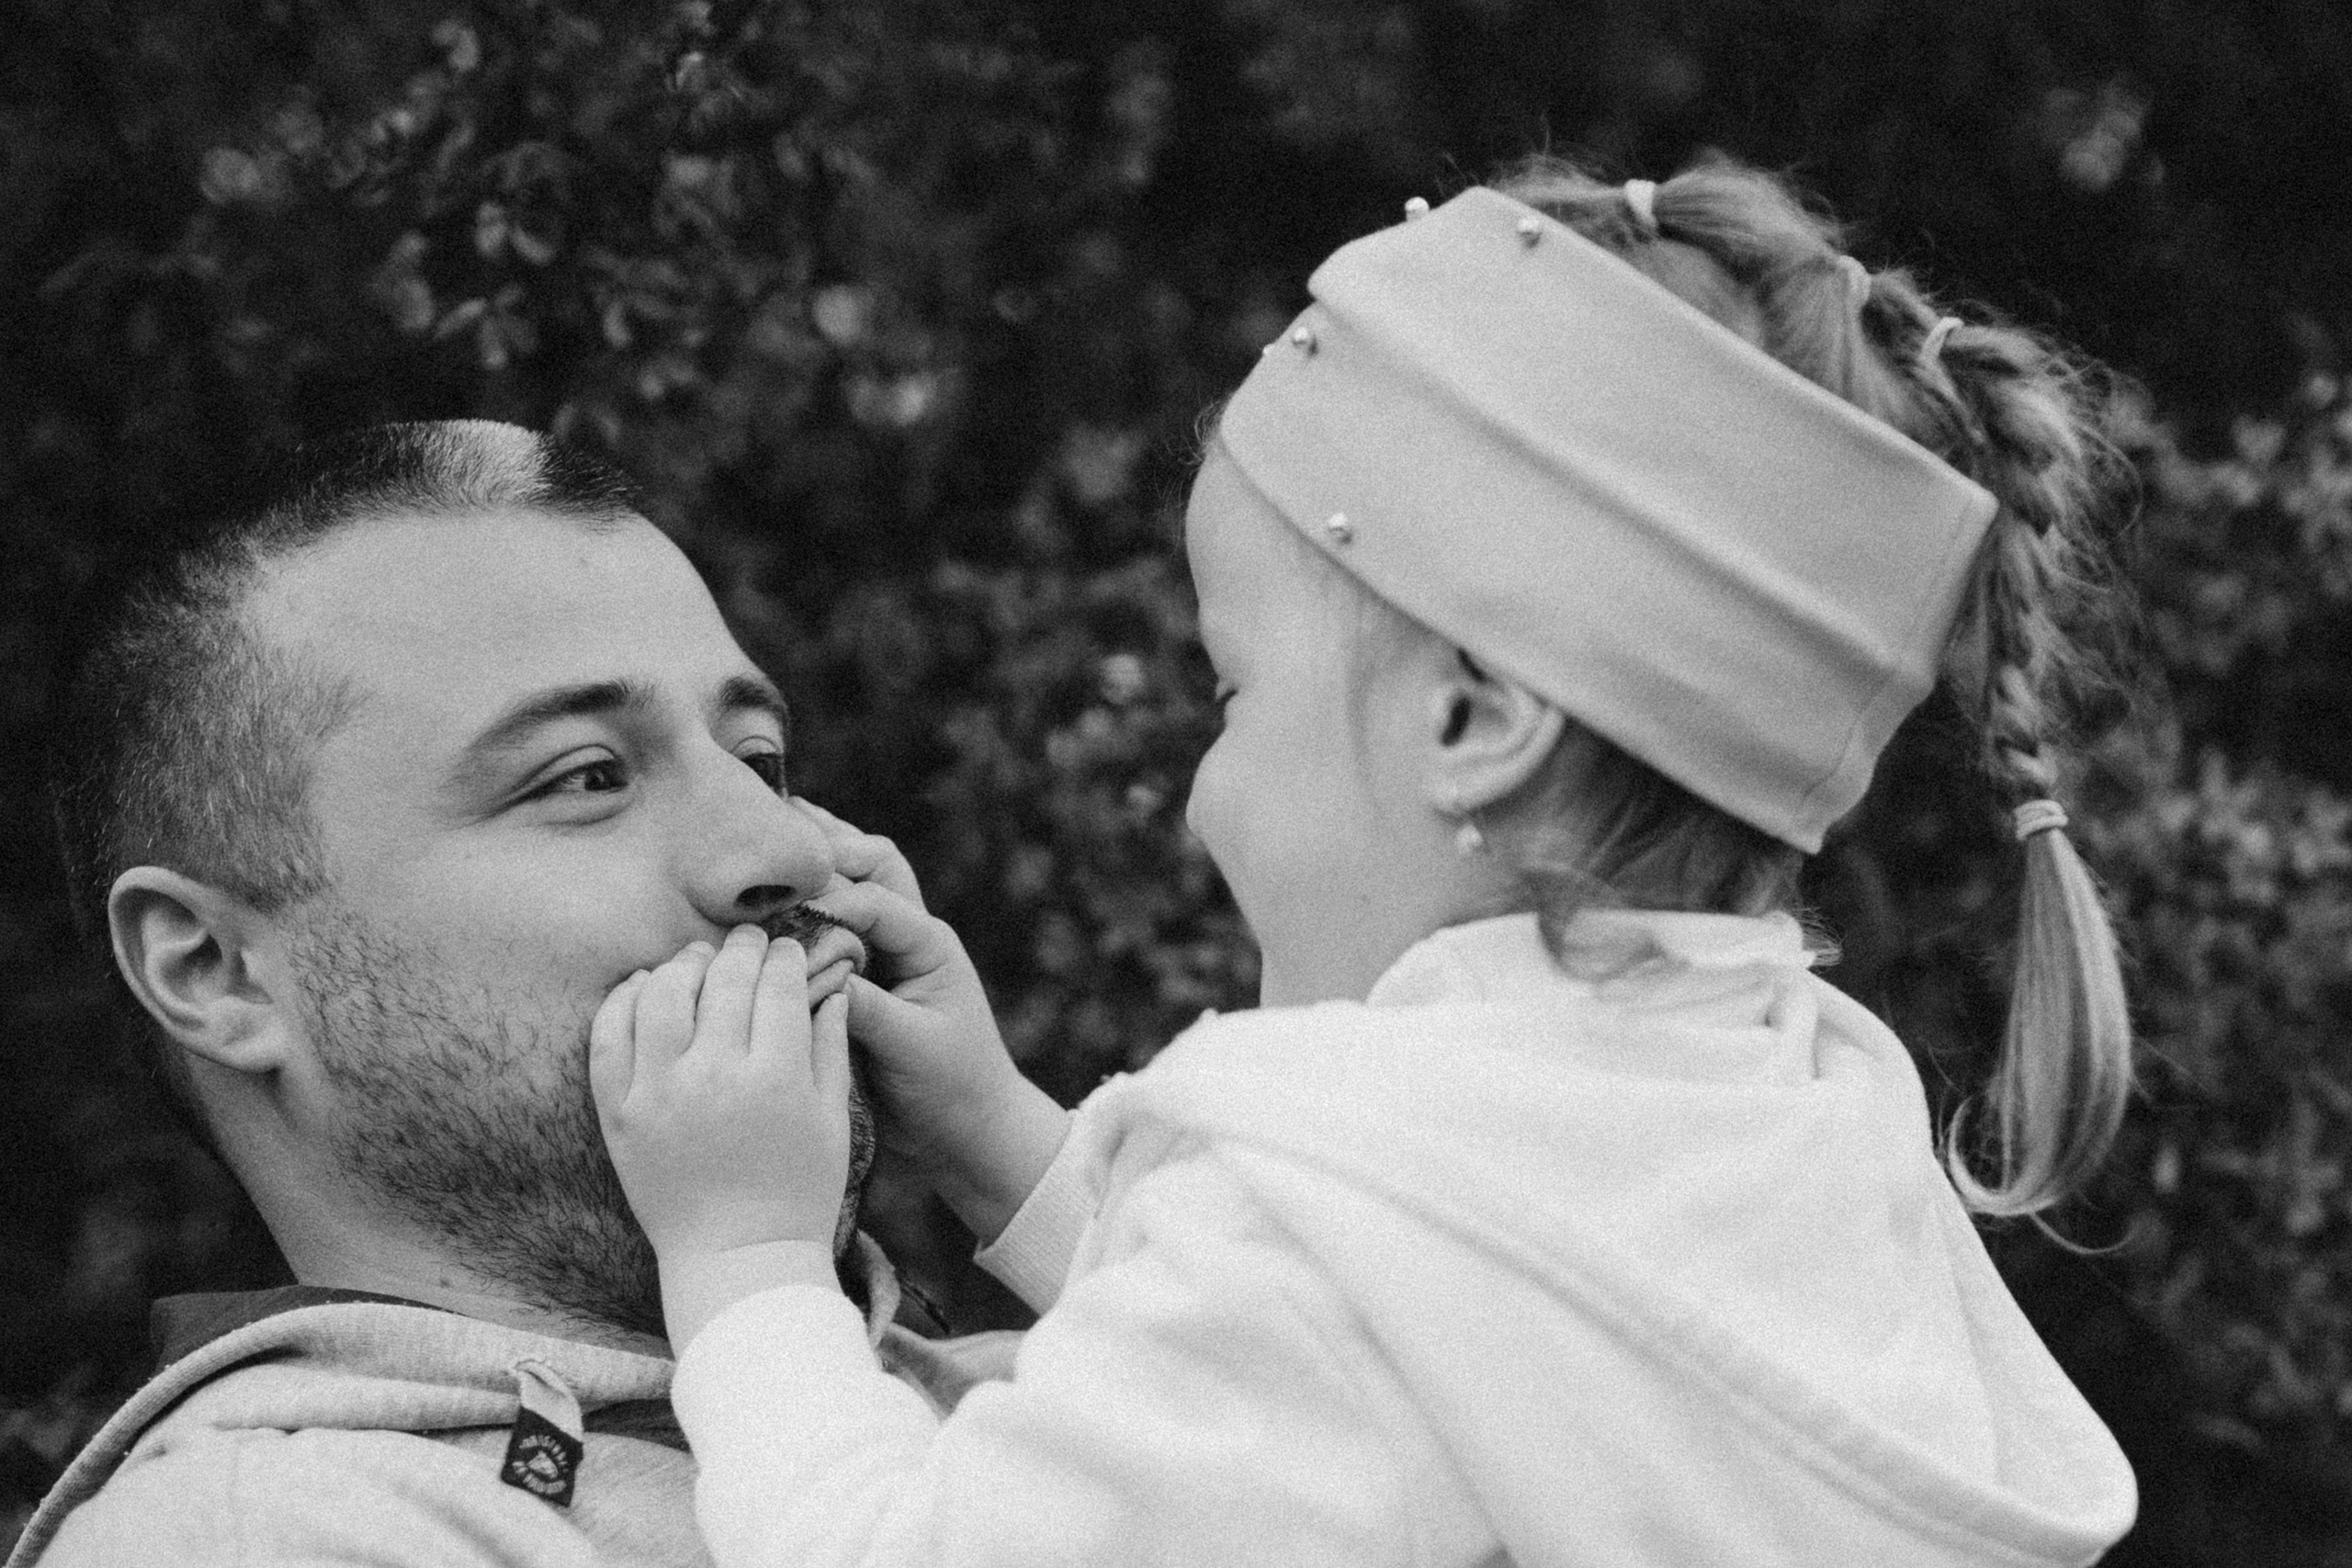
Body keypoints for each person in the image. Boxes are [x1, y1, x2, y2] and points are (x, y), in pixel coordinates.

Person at [591, 154, 2144, 1566]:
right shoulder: (1797, 1108)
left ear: (1476, 719)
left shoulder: (1325, 1226)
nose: (1200, 796)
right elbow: (1397, 1377)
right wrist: (1000, 1131)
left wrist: (746, 1256)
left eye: (1234, 694)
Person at [10, 420, 1001, 1568]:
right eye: (586, 777)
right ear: (214, 971)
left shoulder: (1019, 1398)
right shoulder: (265, 1536)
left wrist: (1002, 1156)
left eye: (758, 757)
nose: (784, 847)